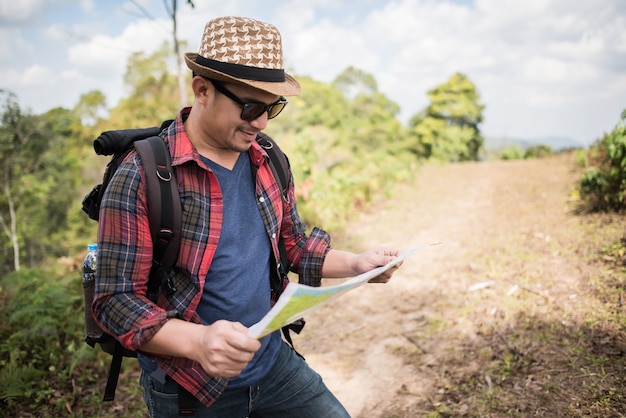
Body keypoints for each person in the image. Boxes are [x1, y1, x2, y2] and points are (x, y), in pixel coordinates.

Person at [93, 15, 401, 418]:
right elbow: (115, 300)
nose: (259, 122)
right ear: (202, 90)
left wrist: (357, 265)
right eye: (250, 106)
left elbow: (294, 245)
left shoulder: (268, 158)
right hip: (192, 388)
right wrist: (199, 343)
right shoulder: (141, 174)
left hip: (274, 366)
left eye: (272, 108)